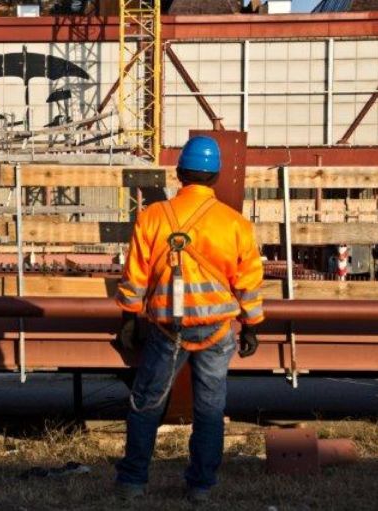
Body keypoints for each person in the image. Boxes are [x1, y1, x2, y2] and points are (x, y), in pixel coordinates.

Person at [114, 136, 264, 504]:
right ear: (213, 178)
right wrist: (253, 323)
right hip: (216, 332)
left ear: (180, 173)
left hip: (167, 330)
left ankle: (133, 481)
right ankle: (201, 486)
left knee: (147, 404)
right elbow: (248, 282)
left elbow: (135, 277)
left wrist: (130, 318)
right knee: (210, 409)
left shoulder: (151, 218)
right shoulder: (235, 225)